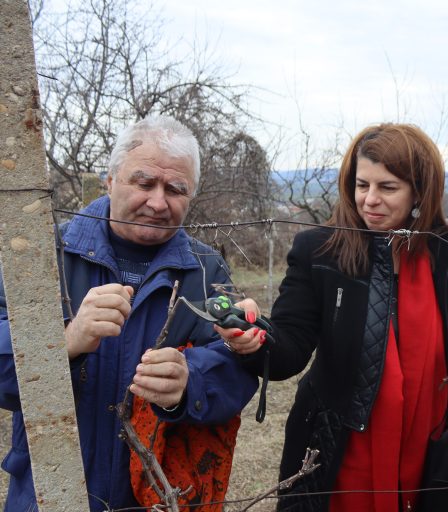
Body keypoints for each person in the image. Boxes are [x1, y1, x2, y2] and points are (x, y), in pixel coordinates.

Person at [222, 123, 448, 512]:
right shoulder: (319, 250)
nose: (369, 199)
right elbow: (290, 348)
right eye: (361, 184)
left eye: (387, 187)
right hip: (342, 448)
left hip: (429, 443)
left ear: (419, 191)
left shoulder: (442, 251)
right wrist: (254, 340)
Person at [0, 116, 259, 511]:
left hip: (155, 496)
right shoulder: (46, 253)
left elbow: (237, 371)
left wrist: (190, 380)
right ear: (110, 180)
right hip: (49, 492)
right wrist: (63, 343)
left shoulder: (206, 270)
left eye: (175, 189)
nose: (158, 202)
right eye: (144, 183)